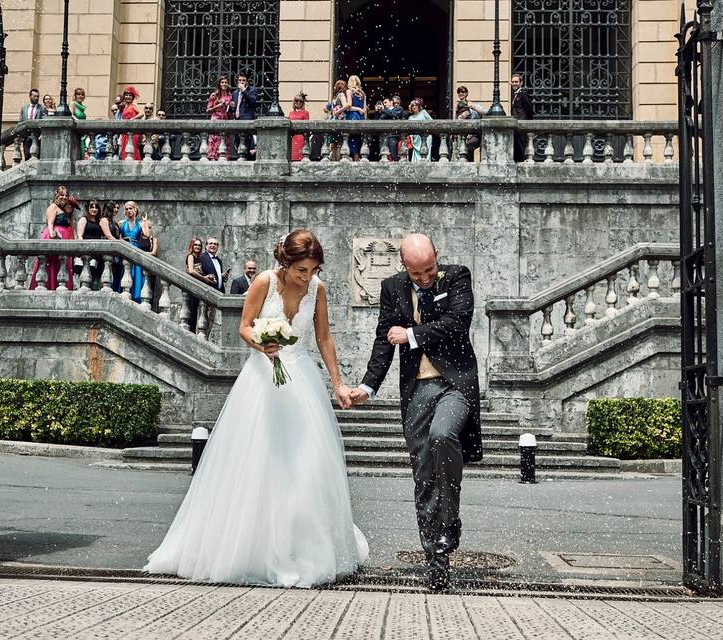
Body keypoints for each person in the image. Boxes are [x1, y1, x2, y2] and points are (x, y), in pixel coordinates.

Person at [145, 230, 368, 586]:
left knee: (306, 464)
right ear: (286, 262)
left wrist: (339, 383)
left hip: (302, 380)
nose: (307, 277)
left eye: (312, 270)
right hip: (262, 379)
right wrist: (262, 345)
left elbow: (323, 337)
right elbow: (244, 327)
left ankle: (305, 548)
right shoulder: (264, 281)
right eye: (301, 270)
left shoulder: (318, 289)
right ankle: (250, 548)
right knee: (258, 462)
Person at [349, 233, 483, 591]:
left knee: (443, 436)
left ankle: (450, 520)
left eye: (429, 270)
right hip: (417, 391)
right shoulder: (393, 288)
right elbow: (383, 339)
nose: (424, 278)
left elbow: (457, 324)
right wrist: (367, 386)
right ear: (403, 266)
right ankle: (435, 559)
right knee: (423, 474)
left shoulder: (456, 277)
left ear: (437, 257)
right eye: (417, 273)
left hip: (454, 383)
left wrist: (409, 334)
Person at [29, 186, 76, 290]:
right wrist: (52, 236)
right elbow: (50, 224)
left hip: (63, 237)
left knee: (61, 264)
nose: (64, 197)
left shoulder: (62, 208)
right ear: (56, 195)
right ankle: (50, 286)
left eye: (66, 195)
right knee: (52, 264)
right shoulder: (53, 207)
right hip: (55, 235)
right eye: (61, 195)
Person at [198, 237, 229, 335]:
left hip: (217, 293)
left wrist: (221, 276)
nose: (213, 245)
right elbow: (197, 273)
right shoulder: (202, 257)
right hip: (206, 292)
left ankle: (206, 337)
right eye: (210, 243)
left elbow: (215, 274)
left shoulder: (218, 260)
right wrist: (205, 277)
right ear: (206, 245)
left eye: (215, 244)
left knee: (211, 318)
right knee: (203, 317)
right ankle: (201, 337)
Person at [183, 237, 212, 332]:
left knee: (195, 310)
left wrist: (208, 276)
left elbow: (199, 271)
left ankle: (192, 331)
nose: (197, 247)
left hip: (197, 285)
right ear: (192, 246)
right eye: (195, 245)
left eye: (199, 245)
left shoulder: (199, 258)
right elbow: (191, 271)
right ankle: (190, 331)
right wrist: (204, 279)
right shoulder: (191, 256)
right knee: (191, 310)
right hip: (191, 285)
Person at [76, 198, 105, 289]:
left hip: (97, 253)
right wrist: (83, 251)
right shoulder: (84, 220)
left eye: (96, 207)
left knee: (94, 277)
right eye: (91, 207)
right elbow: (80, 236)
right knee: (85, 278)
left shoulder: (99, 221)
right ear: (88, 208)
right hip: (87, 252)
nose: (94, 209)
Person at [120, 201, 145, 302]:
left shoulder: (141, 223)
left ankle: (136, 297)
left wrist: (145, 222)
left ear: (135, 209)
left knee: (136, 272)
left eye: (130, 208)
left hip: (136, 248)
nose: (128, 211)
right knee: (125, 272)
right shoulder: (121, 223)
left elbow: (147, 235)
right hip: (125, 249)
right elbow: (119, 238)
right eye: (126, 209)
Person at [230, 71, 259, 159]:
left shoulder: (252, 90)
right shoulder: (235, 93)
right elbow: (236, 107)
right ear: (237, 81)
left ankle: (248, 158)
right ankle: (241, 157)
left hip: (247, 119)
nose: (241, 82)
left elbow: (253, 101)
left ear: (246, 81)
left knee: (247, 142)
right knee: (238, 141)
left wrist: (244, 90)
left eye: (243, 80)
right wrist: (232, 106)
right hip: (238, 120)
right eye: (240, 80)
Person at [455, 86, 487, 162]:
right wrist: (460, 117)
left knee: (468, 146)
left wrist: (473, 107)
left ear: (466, 93)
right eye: (459, 92)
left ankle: (470, 165)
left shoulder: (470, 104)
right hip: (463, 134)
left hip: (475, 133)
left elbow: (486, 112)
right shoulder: (458, 106)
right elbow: (457, 120)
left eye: (463, 92)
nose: (460, 94)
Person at [206, 75, 233, 161]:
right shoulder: (214, 95)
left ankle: (223, 158)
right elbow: (208, 110)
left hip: (226, 119)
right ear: (219, 84)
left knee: (224, 140)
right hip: (215, 119)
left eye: (225, 82)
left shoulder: (230, 96)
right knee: (214, 140)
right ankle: (213, 158)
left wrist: (232, 107)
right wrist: (218, 106)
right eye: (222, 82)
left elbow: (231, 111)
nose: (224, 84)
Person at [511, 74, 535, 162]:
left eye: (516, 82)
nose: (514, 84)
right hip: (517, 125)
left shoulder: (523, 94)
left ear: (521, 83)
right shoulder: (516, 95)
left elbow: (529, 109)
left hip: (522, 125)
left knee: (522, 147)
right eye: (513, 82)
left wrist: (526, 123)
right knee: (517, 148)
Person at [342, 75, 367, 160]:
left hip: (352, 117)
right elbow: (365, 109)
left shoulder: (349, 91)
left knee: (351, 139)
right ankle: (357, 160)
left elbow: (349, 106)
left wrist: (357, 109)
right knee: (358, 139)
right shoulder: (363, 93)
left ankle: (353, 161)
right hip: (361, 118)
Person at [101, 201, 123, 292]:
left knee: (112, 274)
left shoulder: (114, 222)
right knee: (104, 273)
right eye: (114, 207)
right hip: (106, 251)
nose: (116, 210)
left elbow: (119, 237)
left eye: (118, 208)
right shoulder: (104, 220)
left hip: (114, 252)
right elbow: (108, 235)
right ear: (109, 208)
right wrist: (120, 245)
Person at [18, 88, 46, 160]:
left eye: (37, 96)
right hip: (26, 136)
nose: (36, 98)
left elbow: (45, 121)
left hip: (37, 136)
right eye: (34, 96)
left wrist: (42, 134)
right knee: (27, 155)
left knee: (37, 156)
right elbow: (20, 121)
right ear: (30, 96)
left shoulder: (42, 108)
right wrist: (20, 134)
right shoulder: (24, 108)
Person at [324, 79, 347, 161]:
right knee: (334, 143)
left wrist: (337, 111)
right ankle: (335, 161)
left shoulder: (341, 95)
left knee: (338, 143)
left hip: (339, 120)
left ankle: (336, 161)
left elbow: (345, 105)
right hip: (335, 120)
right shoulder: (337, 96)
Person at [119, 86, 144, 161]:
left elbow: (142, 113)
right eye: (126, 95)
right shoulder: (125, 106)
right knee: (124, 150)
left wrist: (133, 119)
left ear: (133, 97)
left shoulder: (133, 105)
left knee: (132, 149)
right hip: (125, 132)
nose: (128, 97)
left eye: (130, 95)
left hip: (132, 132)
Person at [379, 96, 406, 160]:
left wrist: (383, 110)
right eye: (383, 103)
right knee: (385, 155)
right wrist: (378, 112)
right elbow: (381, 119)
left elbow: (394, 115)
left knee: (394, 155)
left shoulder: (399, 108)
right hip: (385, 136)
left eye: (385, 102)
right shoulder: (385, 111)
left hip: (394, 135)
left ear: (391, 102)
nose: (384, 104)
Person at [288, 93, 310, 162]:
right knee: (291, 157)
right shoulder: (291, 113)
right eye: (296, 100)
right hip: (292, 138)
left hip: (300, 137)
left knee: (299, 158)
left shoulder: (305, 113)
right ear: (294, 102)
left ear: (303, 103)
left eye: (300, 101)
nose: (298, 103)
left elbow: (307, 126)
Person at [70, 87, 89, 159]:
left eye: (82, 94)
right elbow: (70, 115)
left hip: (82, 133)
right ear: (75, 95)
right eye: (78, 94)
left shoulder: (81, 107)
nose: (80, 96)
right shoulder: (72, 104)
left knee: (81, 151)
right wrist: (78, 121)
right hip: (75, 132)